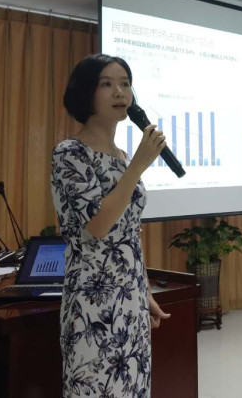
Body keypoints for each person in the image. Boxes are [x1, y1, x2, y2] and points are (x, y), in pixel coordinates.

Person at [51, 54, 170, 398]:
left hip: (131, 299)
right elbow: (99, 225)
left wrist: (144, 291)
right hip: (93, 302)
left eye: (125, 83)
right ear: (86, 92)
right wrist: (137, 167)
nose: (120, 92)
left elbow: (130, 234)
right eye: (107, 84)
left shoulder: (123, 157)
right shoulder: (70, 153)